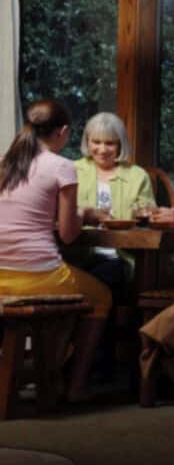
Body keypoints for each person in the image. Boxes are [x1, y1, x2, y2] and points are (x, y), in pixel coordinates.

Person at [0, 99, 112, 402]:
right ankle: (74, 385)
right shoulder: (62, 166)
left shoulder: (7, 163)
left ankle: (47, 373)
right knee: (101, 296)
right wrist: (84, 214)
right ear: (62, 131)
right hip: (36, 275)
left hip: (1, 278)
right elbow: (69, 234)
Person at [72, 112, 156, 286]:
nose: (102, 150)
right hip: (76, 255)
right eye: (96, 142)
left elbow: (149, 223)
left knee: (106, 276)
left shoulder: (138, 176)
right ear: (87, 141)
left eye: (109, 143)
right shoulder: (71, 170)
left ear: (120, 144)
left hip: (120, 257)